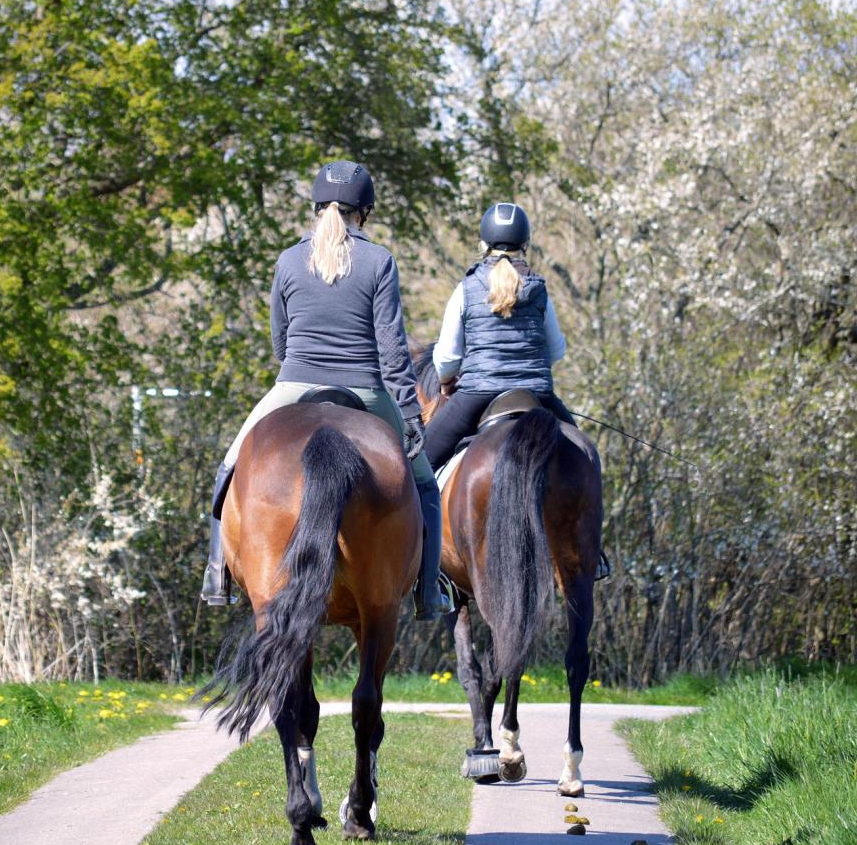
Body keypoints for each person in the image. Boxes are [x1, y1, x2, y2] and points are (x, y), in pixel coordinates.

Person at [200, 160, 453, 620]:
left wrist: (301, 364)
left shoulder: (289, 259)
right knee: (424, 485)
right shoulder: (379, 261)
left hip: (294, 383)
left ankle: (217, 573)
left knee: (229, 467)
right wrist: (409, 412)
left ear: (317, 208)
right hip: (368, 389)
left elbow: (280, 338)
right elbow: (391, 346)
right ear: (366, 212)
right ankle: (430, 589)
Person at [423, 201, 579, 473]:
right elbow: (556, 351)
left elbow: (447, 358)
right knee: (583, 459)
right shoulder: (539, 289)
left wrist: (447, 383)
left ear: (483, 244)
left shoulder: (467, 288)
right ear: (525, 244)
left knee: (420, 467)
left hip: (477, 394)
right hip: (536, 393)